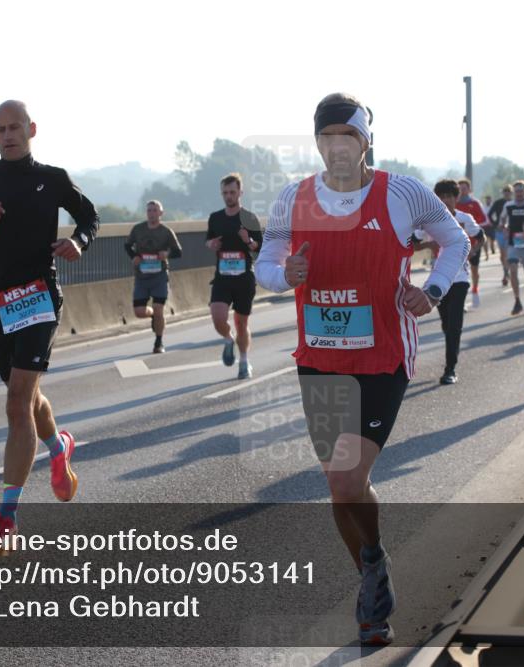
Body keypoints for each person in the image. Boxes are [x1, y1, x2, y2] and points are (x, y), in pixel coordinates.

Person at [254, 93, 468, 645]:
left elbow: (455, 240)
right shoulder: (293, 198)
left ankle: (371, 580)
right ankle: (371, 567)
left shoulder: (402, 192)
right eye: (326, 138)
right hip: (320, 356)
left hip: (381, 357)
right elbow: (267, 263)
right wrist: (286, 275)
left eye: (345, 137)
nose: (335, 147)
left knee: (349, 480)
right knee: (339, 486)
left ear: (364, 140)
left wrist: (435, 291)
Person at [0, 100, 98, 551]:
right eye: (0, 129)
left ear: (31, 129)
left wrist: (79, 241)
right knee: (26, 397)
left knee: (15, 401)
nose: (8, 134)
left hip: (38, 296)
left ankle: (6, 517)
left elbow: (90, 216)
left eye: (15, 127)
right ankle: (59, 446)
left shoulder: (52, 178)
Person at [414, 179, 484, 384]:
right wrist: (430, 243)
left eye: (450, 196)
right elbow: (413, 245)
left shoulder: (465, 218)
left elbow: (481, 236)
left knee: (454, 325)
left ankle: (450, 369)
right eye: (442, 196)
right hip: (437, 280)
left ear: (457, 197)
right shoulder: (428, 220)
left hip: (460, 278)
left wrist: (473, 252)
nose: (446, 200)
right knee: (446, 323)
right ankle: (451, 352)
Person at [206, 173, 262, 379]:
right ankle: (228, 340)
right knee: (217, 317)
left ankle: (244, 361)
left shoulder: (250, 218)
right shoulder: (215, 218)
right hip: (222, 277)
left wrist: (249, 241)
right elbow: (208, 241)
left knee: (241, 323)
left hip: (244, 278)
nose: (228, 196)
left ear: (240, 192)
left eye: (232, 192)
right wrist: (211, 245)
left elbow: (259, 249)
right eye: (225, 193)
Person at [126, 200, 183, 353]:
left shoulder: (166, 231)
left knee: (159, 308)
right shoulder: (138, 229)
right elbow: (127, 245)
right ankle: (153, 316)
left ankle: (159, 342)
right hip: (142, 276)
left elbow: (178, 251)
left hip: (159, 276)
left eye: (154, 210)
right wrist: (134, 256)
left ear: (161, 213)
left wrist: (167, 254)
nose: (151, 213)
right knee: (139, 312)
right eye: (149, 210)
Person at [501, 180, 524, 316]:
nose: (519, 194)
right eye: (516, 191)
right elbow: (502, 220)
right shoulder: (508, 205)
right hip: (513, 243)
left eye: (521, 191)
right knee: (513, 270)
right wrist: (504, 228)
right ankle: (517, 301)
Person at [456, 178, 490, 298]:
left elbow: (486, 221)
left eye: (464, 188)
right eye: (459, 189)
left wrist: (471, 226)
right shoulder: (453, 204)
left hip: (474, 243)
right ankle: (462, 298)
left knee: (474, 269)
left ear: (469, 189)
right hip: (458, 244)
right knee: (459, 274)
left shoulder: (475, 203)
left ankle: (475, 288)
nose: (462, 191)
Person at [488, 185, 513, 286]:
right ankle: (506, 271)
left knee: (507, 253)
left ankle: (506, 274)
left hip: (511, 231)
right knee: (502, 255)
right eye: (505, 191)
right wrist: (495, 225)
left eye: (508, 191)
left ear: (511, 192)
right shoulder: (498, 202)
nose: (507, 193)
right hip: (499, 231)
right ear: (503, 193)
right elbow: (490, 214)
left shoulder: (514, 203)